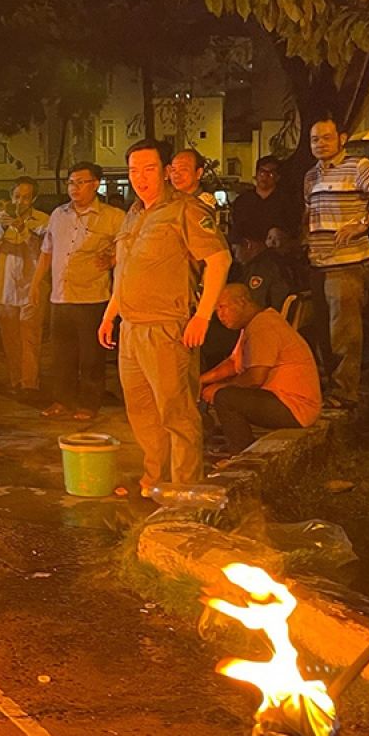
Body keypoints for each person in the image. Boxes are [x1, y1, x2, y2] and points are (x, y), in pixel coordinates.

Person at [102, 140, 232, 490]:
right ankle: (156, 479)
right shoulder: (134, 213)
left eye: (148, 169)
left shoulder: (185, 210)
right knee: (142, 414)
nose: (140, 178)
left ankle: (185, 488)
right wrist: (110, 314)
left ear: (165, 171)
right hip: (130, 329)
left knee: (177, 415)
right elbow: (126, 270)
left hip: (166, 328)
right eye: (133, 170)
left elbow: (219, 260)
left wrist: (202, 316)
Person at [303, 116, 369, 407]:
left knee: (344, 331)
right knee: (323, 328)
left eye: (326, 137)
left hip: (347, 262)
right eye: (315, 139)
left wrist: (364, 222)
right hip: (319, 262)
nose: (320, 144)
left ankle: (344, 392)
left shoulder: (357, 167)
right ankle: (330, 390)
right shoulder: (311, 176)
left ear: (342, 138)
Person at [32, 163, 125, 420]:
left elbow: (129, 247)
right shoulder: (58, 215)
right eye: (71, 183)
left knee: (91, 357)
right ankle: (63, 400)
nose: (75, 188)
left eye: (81, 182)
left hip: (92, 297)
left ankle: (89, 403)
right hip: (60, 297)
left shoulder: (112, 216)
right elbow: (47, 251)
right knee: (61, 355)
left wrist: (112, 260)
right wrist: (35, 284)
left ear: (96, 184)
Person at [201, 283, 322, 454]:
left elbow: (255, 378)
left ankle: (240, 452)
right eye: (217, 311)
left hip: (295, 407)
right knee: (223, 392)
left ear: (243, 302)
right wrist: (201, 381)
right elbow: (233, 363)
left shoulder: (262, 326)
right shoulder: (254, 324)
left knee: (225, 398)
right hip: (289, 402)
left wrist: (221, 388)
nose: (220, 315)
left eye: (223, 307)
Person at [0, 179, 50, 396]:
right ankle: (15, 380)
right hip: (4, 287)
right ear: (11, 197)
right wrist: (2, 227)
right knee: (9, 338)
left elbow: (44, 251)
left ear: (34, 199)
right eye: (17, 197)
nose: (20, 202)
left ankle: (30, 384)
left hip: (32, 286)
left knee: (30, 337)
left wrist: (24, 230)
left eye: (26, 197)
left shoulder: (42, 220)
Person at [230, 155, 300, 241]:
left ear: (277, 177)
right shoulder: (243, 200)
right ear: (256, 174)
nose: (265, 177)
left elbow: (293, 229)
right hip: (249, 248)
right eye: (262, 172)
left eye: (270, 174)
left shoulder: (287, 200)